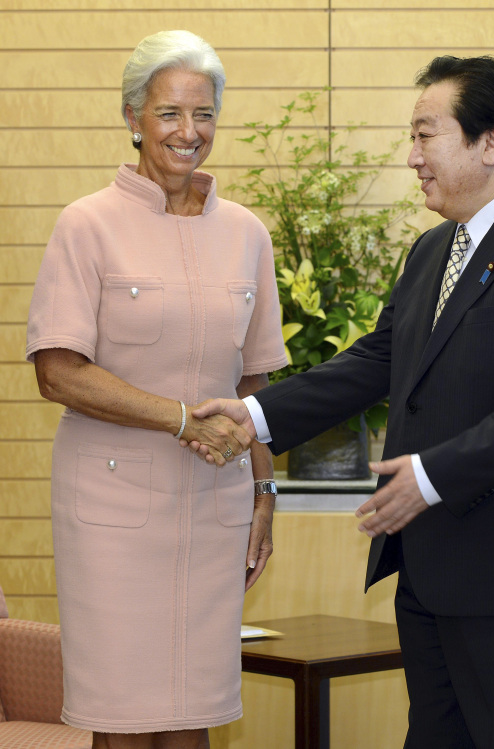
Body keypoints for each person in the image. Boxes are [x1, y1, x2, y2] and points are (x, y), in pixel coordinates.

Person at [187, 56, 494, 748]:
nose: (411, 157)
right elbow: (379, 360)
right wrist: (255, 417)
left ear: (490, 142)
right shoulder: (432, 251)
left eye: (425, 135)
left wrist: (430, 476)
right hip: (434, 577)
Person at [26, 30, 285, 749]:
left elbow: (254, 380)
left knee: (193, 709)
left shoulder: (247, 234)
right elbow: (58, 371)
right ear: (133, 116)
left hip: (216, 509)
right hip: (111, 513)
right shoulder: (86, 225)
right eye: (170, 113)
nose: (188, 132)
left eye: (204, 115)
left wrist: (266, 495)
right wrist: (181, 420)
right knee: (124, 716)